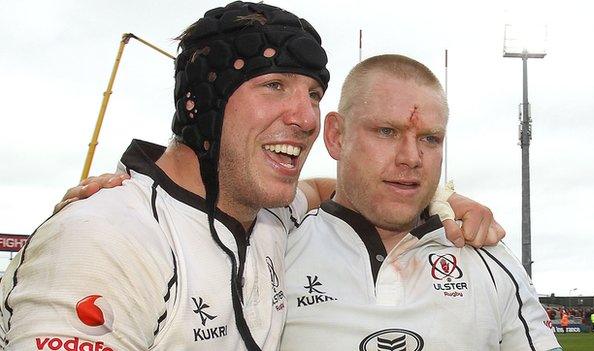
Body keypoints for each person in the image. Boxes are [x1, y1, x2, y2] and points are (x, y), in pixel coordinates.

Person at [0, 2, 503, 351]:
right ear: (205, 105)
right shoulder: (108, 238)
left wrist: (441, 199)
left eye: (312, 94)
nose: (305, 117)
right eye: (274, 85)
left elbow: (335, 189)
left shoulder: (271, 217)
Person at [281, 54, 561, 350]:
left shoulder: (489, 257)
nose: (411, 158)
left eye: (430, 139)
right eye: (387, 132)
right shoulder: (275, 246)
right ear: (337, 136)